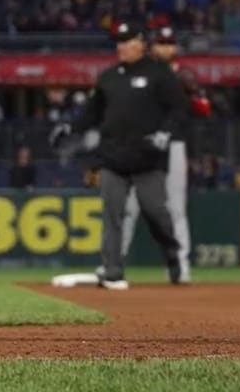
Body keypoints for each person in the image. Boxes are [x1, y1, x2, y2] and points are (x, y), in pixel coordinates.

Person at [56, 22, 186, 289]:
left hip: (148, 158)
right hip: (113, 157)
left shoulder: (159, 73)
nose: (121, 46)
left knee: (155, 212)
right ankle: (113, 270)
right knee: (112, 212)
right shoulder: (109, 77)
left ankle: (172, 254)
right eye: (119, 41)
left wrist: (165, 132)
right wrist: (70, 126)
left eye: (127, 40)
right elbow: (92, 113)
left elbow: (178, 109)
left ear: (140, 43)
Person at [120, 26, 194, 282]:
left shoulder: (183, 76)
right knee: (127, 206)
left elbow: (197, 110)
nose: (165, 48)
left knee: (175, 208)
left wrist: (195, 95)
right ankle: (114, 265)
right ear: (151, 47)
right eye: (161, 43)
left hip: (173, 144)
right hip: (137, 145)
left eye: (169, 43)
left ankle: (180, 266)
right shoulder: (139, 72)